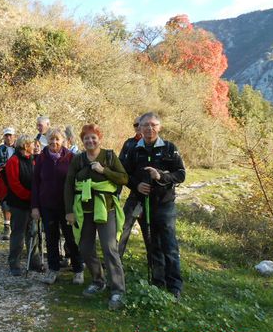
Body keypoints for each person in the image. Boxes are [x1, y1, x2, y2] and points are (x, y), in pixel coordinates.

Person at [65, 123, 129, 310]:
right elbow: (69, 184)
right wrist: (69, 211)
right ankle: (98, 280)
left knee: (110, 248)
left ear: (99, 138)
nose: (90, 140)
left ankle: (118, 289)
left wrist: (104, 171)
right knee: (85, 247)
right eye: (86, 138)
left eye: (93, 137)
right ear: (82, 140)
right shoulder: (78, 159)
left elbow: (124, 178)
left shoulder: (109, 156)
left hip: (106, 209)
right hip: (83, 210)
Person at [122, 112, 186, 299]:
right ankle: (158, 282)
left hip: (164, 205)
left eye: (153, 125)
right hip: (142, 204)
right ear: (139, 128)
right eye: (145, 125)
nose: (149, 129)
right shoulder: (134, 149)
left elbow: (181, 174)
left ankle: (175, 286)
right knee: (152, 243)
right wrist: (136, 185)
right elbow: (125, 174)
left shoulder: (169, 148)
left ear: (159, 127)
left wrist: (161, 176)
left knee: (169, 245)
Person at [31, 128, 84, 285]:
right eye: (51, 139)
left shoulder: (72, 158)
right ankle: (53, 269)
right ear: (47, 140)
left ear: (64, 141)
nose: (54, 142)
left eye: (57, 139)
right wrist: (35, 207)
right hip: (47, 206)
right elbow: (35, 183)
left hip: (67, 207)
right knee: (51, 239)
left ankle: (78, 269)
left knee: (71, 238)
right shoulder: (41, 159)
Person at [5, 135, 42, 275]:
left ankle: (34, 262)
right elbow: (14, 184)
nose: (34, 146)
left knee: (33, 232)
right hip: (18, 204)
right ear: (26, 146)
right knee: (18, 234)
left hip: (31, 203)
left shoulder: (31, 160)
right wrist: (30, 196)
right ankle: (14, 263)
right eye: (32, 144)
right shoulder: (13, 161)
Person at [117, 116, 148, 258]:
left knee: (149, 232)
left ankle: (154, 266)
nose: (137, 127)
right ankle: (116, 260)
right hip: (134, 193)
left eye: (139, 124)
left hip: (151, 197)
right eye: (135, 124)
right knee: (123, 226)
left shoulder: (155, 145)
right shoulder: (129, 144)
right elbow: (120, 166)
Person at [0, 127, 16, 240]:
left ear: (14, 136)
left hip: (16, 179)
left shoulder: (19, 147)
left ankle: (15, 226)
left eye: (10, 135)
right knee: (5, 202)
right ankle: (7, 226)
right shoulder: (0, 149)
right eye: (6, 135)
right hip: (3, 179)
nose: (8, 137)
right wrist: (2, 168)